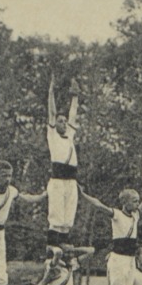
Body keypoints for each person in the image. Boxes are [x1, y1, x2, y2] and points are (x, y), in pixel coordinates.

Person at [83, 177, 142, 285]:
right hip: (119, 258)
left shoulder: (135, 215)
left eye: (137, 201)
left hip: (130, 260)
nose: (137, 204)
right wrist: (82, 194)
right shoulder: (117, 214)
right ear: (124, 202)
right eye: (134, 201)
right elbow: (99, 205)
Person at [44, 77, 83, 248]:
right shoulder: (52, 136)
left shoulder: (70, 136)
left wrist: (75, 97)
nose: (63, 123)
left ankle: (64, 249)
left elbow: (73, 113)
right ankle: (52, 249)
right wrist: (51, 92)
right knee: (57, 216)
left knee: (68, 218)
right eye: (60, 121)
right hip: (58, 180)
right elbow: (51, 113)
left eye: (64, 121)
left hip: (71, 180)